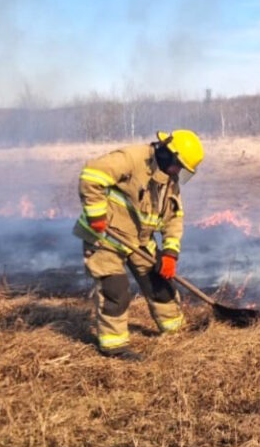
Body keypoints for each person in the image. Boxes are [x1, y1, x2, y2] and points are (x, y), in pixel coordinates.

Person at [73, 129, 204, 358]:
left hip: (139, 240)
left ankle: (175, 330)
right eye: (178, 166)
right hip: (106, 236)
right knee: (116, 290)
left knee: (159, 282)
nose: (178, 172)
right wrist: (96, 215)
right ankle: (114, 346)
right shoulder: (133, 158)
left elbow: (174, 218)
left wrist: (170, 253)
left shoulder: (169, 182)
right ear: (168, 154)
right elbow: (92, 175)